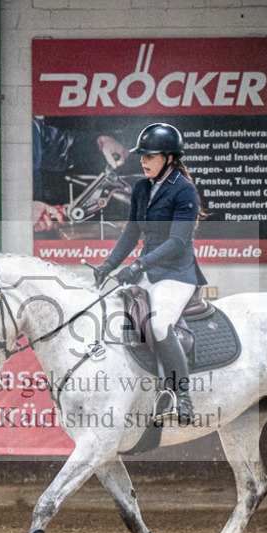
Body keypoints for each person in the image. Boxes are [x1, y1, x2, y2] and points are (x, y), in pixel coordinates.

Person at [93, 123, 206, 426]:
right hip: (148, 269)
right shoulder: (142, 188)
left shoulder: (184, 190)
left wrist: (139, 266)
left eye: (150, 156)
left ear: (169, 158)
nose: (143, 161)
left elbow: (177, 242)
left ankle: (182, 398)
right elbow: (131, 233)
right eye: (142, 156)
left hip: (177, 273)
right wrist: (108, 264)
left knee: (157, 325)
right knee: (108, 312)